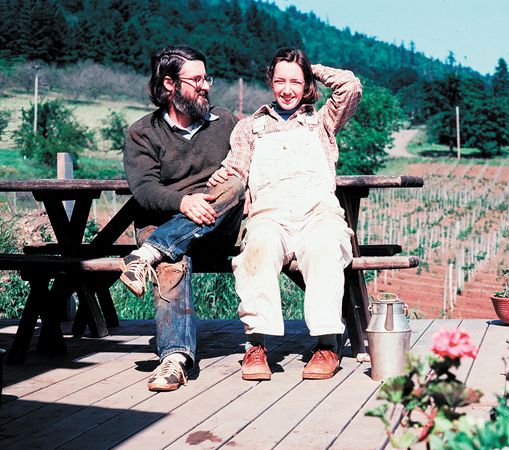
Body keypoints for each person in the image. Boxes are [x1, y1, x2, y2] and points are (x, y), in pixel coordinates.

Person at [208, 48, 362, 381]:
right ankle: (256, 345)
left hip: (317, 215)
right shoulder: (251, 127)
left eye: (296, 81)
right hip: (269, 217)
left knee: (323, 249)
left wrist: (312, 67)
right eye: (280, 80)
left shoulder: (321, 121)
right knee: (257, 250)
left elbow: (350, 86)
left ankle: (327, 344)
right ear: (270, 82)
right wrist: (221, 177)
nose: (287, 89)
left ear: (307, 84)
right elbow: (235, 169)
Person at [122, 44, 245, 392]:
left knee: (233, 184)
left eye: (207, 77)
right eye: (197, 79)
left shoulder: (227, 123)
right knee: (171, 261)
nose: (206, 85)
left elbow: (251, 164)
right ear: (170, 84)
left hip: (220, 227)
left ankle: (147, 255)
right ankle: (174, 360)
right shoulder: (143, 132)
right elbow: (144, 189)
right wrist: (182, 202)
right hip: (163, 220)